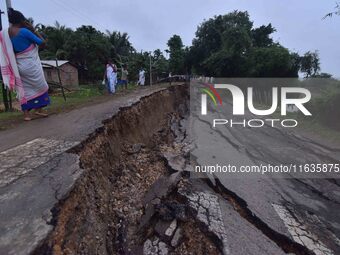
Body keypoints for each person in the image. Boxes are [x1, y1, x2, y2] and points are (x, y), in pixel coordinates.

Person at [0, 8, 50, 121]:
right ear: (21, 20)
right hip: (31, 65)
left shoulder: (5, 34)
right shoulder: (24, 31)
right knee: (42, 86)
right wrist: (33, 29)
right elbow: (42, 43)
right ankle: (39, 109)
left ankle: (27, 115)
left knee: (24, 90)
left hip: (18, 67)